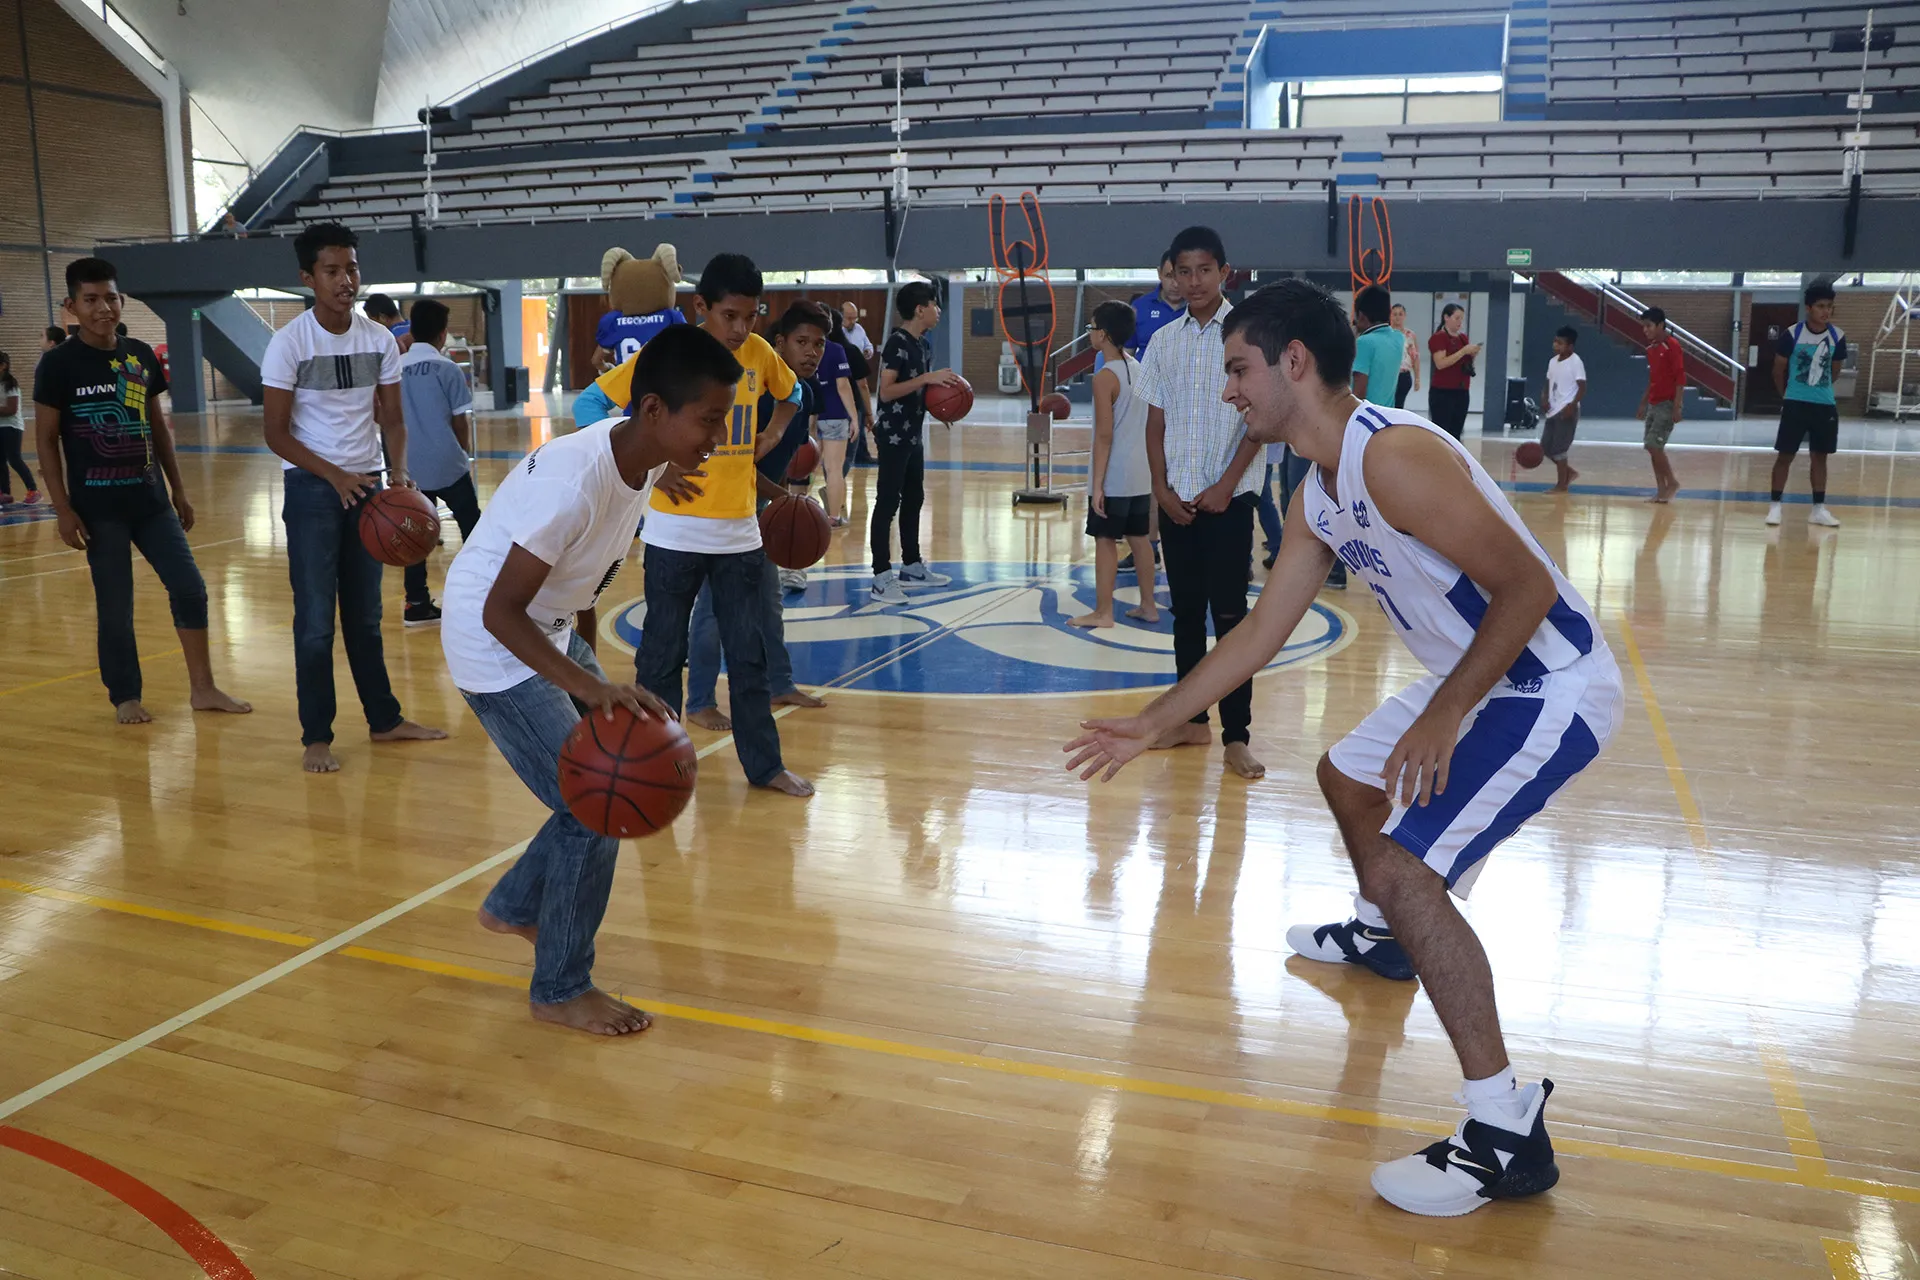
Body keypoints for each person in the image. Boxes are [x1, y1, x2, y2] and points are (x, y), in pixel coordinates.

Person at [1066, 278, 1621, 1219]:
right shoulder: (1316, 491)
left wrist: (1445, 712)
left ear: (1293, 362)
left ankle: (1505, 1131)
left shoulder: (1393, 457)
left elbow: (1527, 589)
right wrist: (1158, 722)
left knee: (1409, 871)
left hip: (1546, 683)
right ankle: (1384, 941)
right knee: (1346, 777)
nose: (1230, 389)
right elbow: (1256, 634)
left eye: (1239, 369)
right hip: (1475, 677)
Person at [444, 325, 741, 1037]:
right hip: (493, 640)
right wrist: (589, 684)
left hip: (542, 628)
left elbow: (589, 547)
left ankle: (516, 906)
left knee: (598, 786)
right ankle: (560, 986)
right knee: (596, 803)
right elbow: (498, 611)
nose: (718, 435)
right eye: (708, 419)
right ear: (654, 413)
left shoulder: (635, 452)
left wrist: (666, 468)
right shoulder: (574, 488)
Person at [31, 257, 249, 723]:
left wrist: (179, 489)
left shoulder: (140, 357)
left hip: (151, 504)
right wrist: (62, 509)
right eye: (90, 300)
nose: (102, 308)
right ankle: (125, 694)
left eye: (109, 297)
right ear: (72, 306)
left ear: (121, 300)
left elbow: (158, 428)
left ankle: (204, 688)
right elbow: (46, 441)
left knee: (191, 589)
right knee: (116, 607)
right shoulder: (57, 365)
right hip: (97, 511)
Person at [262, 222, 445, 773]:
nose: (346, 280)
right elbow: (276, 433)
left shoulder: (379, 339)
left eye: (352, 268)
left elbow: (392, 417)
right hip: (313, 489)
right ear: (307, 277)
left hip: (368, 488)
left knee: (365, 617)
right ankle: (316, 735)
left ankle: (384, 721)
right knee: (316, 618)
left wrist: (400, 474)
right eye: (333, 271)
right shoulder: (288, 343)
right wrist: (335, 475)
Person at [631, 252, 813, 797]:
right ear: (701, 307)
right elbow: (597, 406)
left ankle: (764, 767)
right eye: (729, 316)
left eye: (751, 316)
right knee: (661, 657)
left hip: (740, 534)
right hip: (672, 534)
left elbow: (794, 394)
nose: (740, 328)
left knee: (749, 656)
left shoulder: (759, 354)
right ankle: (654, 766)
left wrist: (775, 434)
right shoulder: (670, 355)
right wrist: (652, 474)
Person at [1137, 225, 1264, 781]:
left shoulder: (1250, 336)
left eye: (1203, 270)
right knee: (1186, 616)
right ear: (1171, 274)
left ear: (1224, 272)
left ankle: (1237, 736)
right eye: (1182, 271)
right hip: (1177, 501)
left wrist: (1225, 484)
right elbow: (1155, 421)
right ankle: (1190, 721)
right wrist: (1161, 490)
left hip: (1228, 500)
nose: (1192, 281)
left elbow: (1260, 421)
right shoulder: (1164, 341)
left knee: (1230, 619)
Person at [684, 302, 830, 727]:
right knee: (713, 610)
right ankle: (699, 702)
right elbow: (736, 464)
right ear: (777, 344)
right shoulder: (754, 393)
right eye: (802, 342)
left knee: (769, 602)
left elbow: (779, 461)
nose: (812, 352)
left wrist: (783, 500)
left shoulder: (798, 394)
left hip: (761, 509)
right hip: (723, 509)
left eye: (819, 344)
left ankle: (780, 683)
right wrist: (787, 501)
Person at [1069, 302, 1159, 630]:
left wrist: (1096, 486)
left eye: (1091, 327)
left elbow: (1104, 436)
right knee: (1140, 539)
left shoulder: (1105, 377)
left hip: (1116, 475)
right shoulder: (1139, 367)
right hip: (1142, 473)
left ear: (1103, 335)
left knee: (1105, 541)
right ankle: (1149, 605)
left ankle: (1103, 612)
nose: (1090, 332)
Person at [870, 280, 961, 605]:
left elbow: (921, 391)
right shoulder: (896, 342)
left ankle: (911, 565)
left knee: (914, 498)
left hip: (912, 433)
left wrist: (941, 409)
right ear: (920, 309)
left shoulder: (923, 345)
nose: (938, 311)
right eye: (935, 305)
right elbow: (886, 391)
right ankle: (881, 577)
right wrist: (926, 379)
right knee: (887, 502)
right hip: (893, 434)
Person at [397, 298, 481, 626]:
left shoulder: (395, 368)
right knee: (473, 527)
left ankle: (416, 602)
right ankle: (481, 591)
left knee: (415, 537)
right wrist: (463, 451)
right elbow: (461, 421)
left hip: (410, 467)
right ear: (443, 335)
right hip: (448, 463)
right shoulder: (447, 369)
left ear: (411, 330)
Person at [1767, 280, 1846, 528]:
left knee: (1819, 457)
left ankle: (1818, 509)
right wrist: (1787, 396)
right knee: (1785, 455)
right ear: (1809, 308)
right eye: (1821, 306)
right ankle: (1775, 506)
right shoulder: (1793, 334)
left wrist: (1817, 390)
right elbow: (1777, 370)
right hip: (1795, 404)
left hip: (1824, 406)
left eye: (1830, 307)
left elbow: (1834, 373)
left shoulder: (1837, 337)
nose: (1826, 311)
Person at [813, 310, 858, 526]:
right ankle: (833, 517)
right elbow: (843, 386)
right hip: (834, 416)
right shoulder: (835, 349)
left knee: (801, 468)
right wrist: (854, 418)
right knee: (833, 469)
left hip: (807, 414)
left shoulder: (799, 348)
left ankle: (795, 511)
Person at [1636, 307, 1685, 504]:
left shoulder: (1672, 346)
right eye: (1643, 327)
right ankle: (1661, 489)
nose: (1645, 330)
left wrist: (1677, 406)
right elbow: (1653, 378)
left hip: (1667, 403)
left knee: (1654, 445)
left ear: (1661, 325)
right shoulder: (1652, 349)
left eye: (1648, 326)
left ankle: (1672, 482)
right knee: (1651, 447)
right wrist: (1643, 403)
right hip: (1653, 404)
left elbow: (1680, 377)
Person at [1542, 326, 1586, 493]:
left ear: (1570, 346)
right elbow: (1547, 382)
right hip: (1553, 409)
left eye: (1560, 343)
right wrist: (1544, 398)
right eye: (1555, 341)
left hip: (1567, 409)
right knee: (1545, 447)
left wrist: (1572, 405)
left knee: (1559, 449)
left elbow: (1582, 387)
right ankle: (1569, 473)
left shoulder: (1576, 362)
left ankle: (1562, 485)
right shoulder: (1552, 362)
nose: (1556, 345)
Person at [1427, 304, 1480, 440]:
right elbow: (1441, 363)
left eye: (1461, 319)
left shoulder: (1463, 338)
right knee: (1442, 433)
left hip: (1461, 390)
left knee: (1456, 432)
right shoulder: (1439, 338)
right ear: (1446, 318)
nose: (1459, 322)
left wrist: (1472, 354)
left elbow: (1464, 363)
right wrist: (1463, 351)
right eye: (1456, 318)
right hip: (1443, 392)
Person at [1350, 285, 1402, 407]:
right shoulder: (1398, 338)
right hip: (1387, 415)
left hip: (1367, 419)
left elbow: (1359, 394)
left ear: (1361, 316)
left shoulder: (1364, 342)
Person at [1129, 251, 1186, 358]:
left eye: (1180, 275)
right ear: (1159, 273)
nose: (1175, 284)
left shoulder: (1200, 308)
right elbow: (1127, 353)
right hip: (1144, 373)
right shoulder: (1139, 307)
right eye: (1169, 276)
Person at [0, 352, 38, 505]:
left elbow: (12, 409)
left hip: (12, 427)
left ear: (3, 366)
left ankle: (33, 490)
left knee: (14, 459)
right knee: (0, 461)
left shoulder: (11, 384)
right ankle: (5, 493)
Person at [1391, 302, 1419, 409]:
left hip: (1404, 374)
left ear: (1404, 316)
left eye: (1400, 314)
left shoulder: (1410, 335)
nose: (1397, 317)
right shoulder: (1387, 333)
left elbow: (1415, 357)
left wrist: (1417, 378)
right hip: (1390, 374)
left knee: (1399, 405)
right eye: (1395, 314)